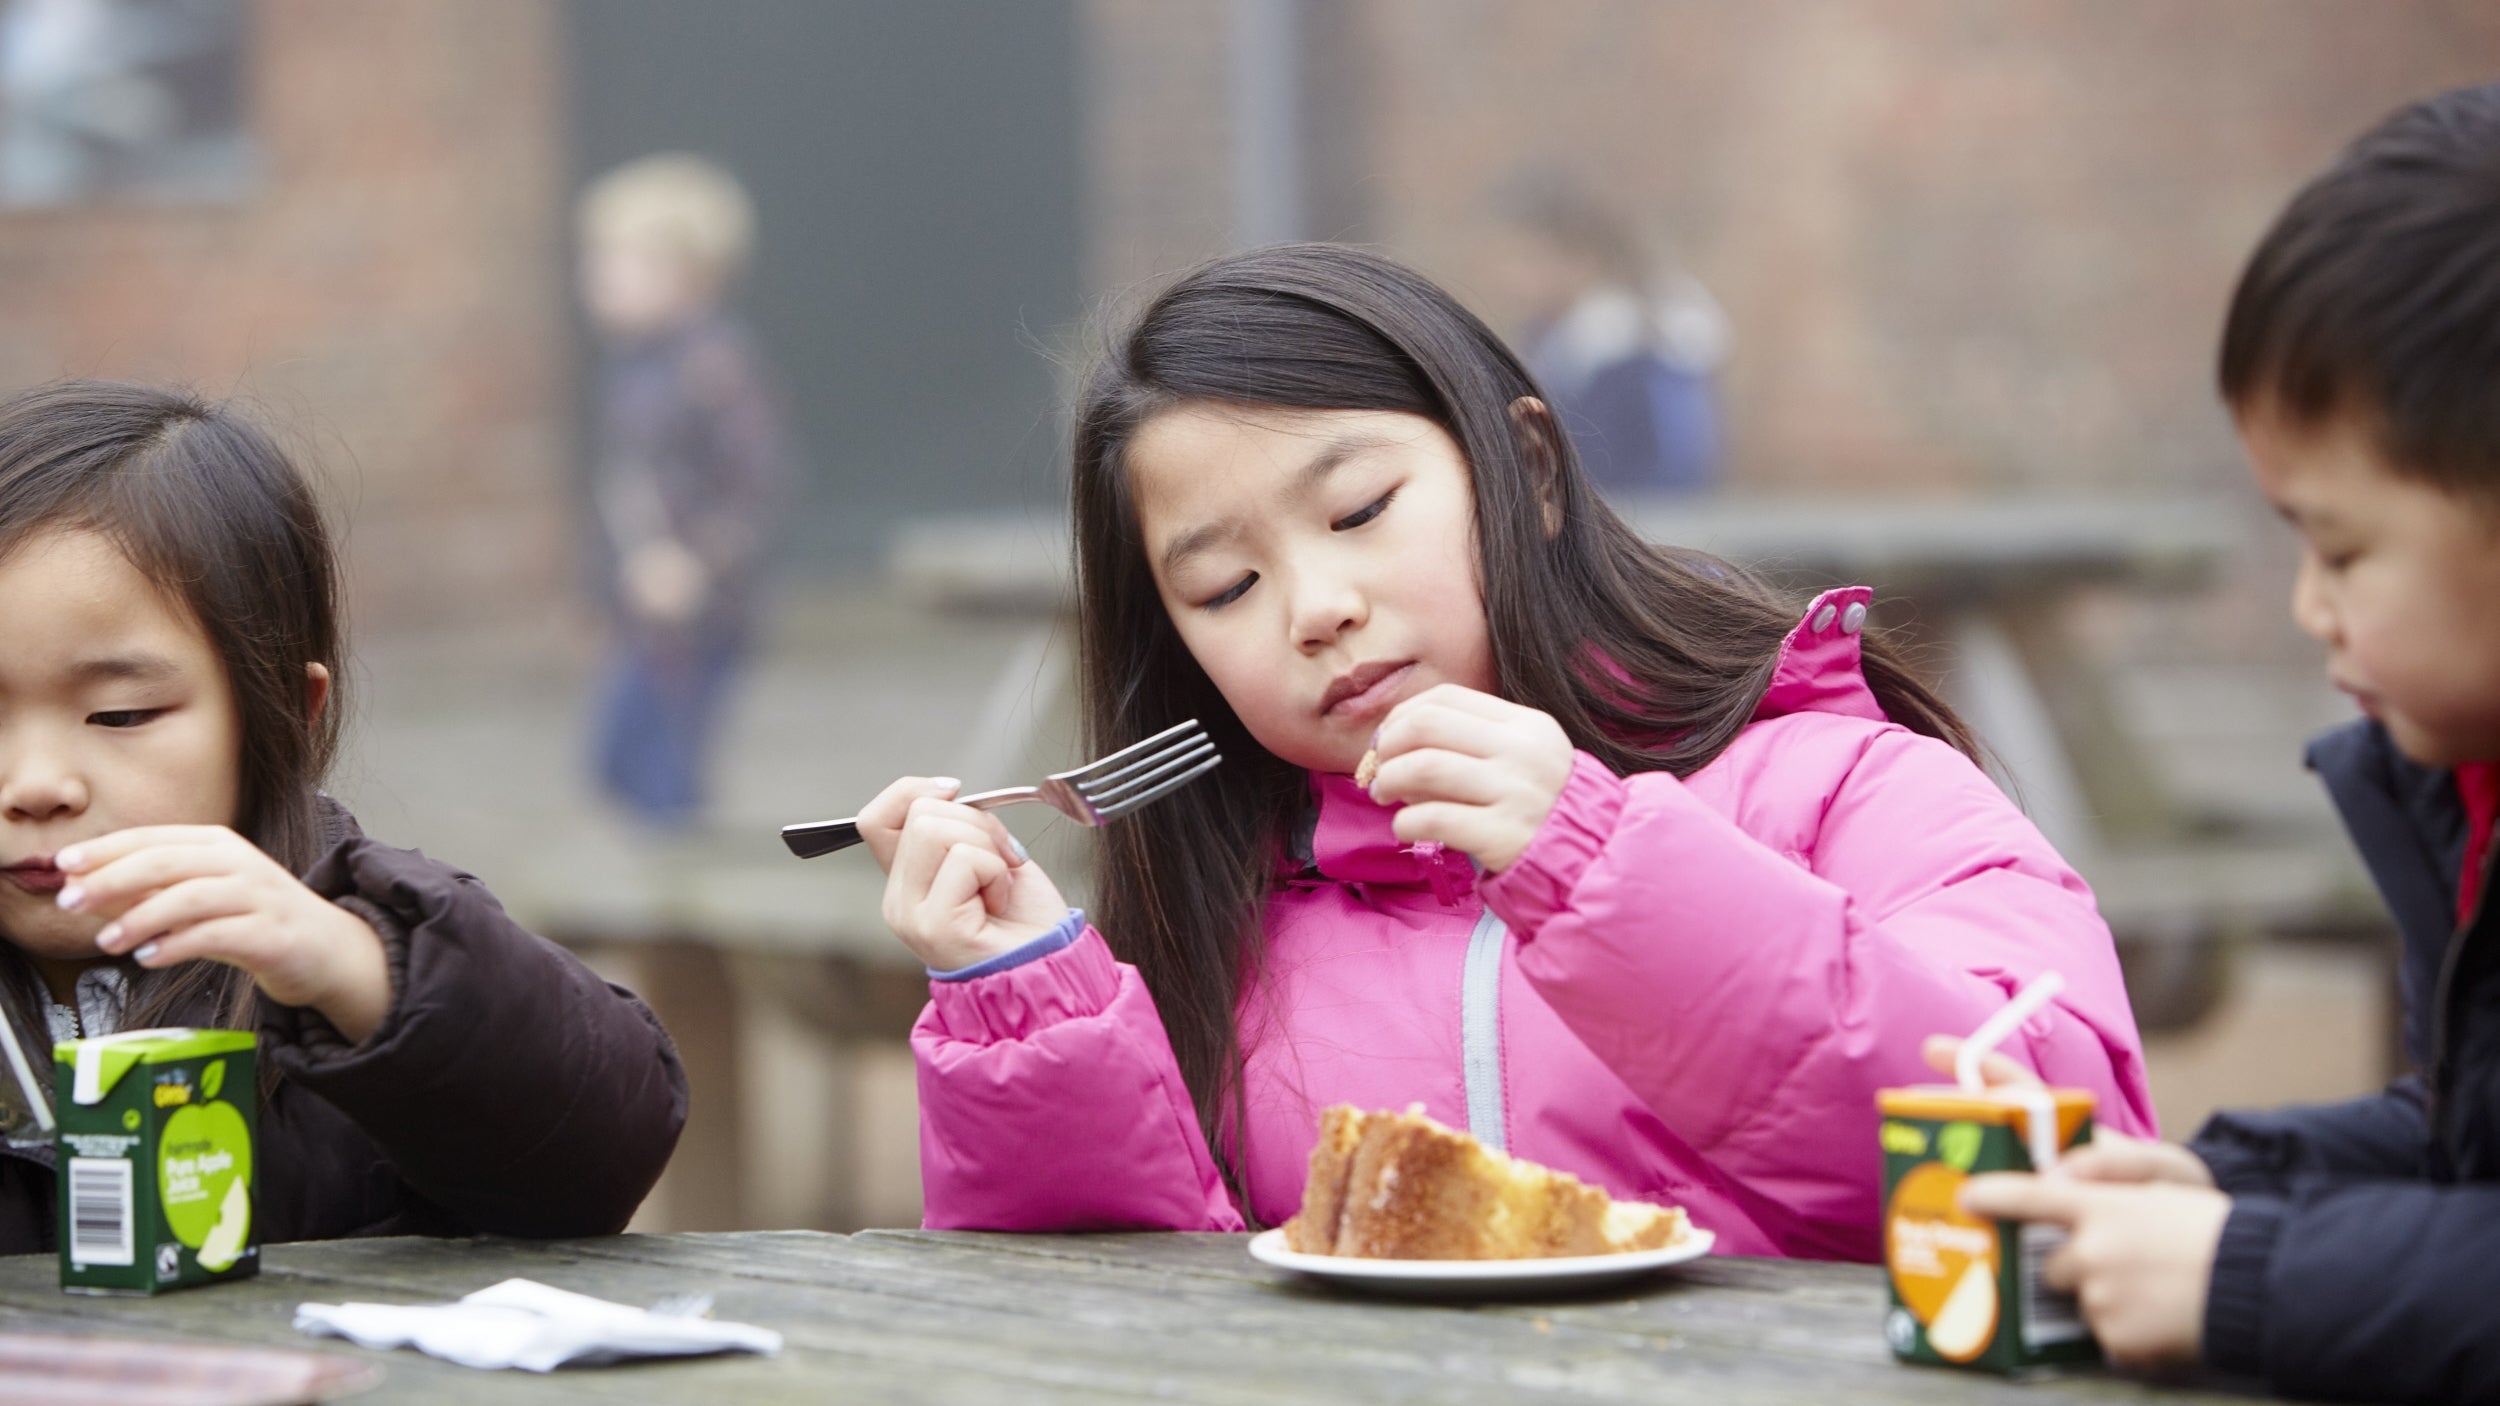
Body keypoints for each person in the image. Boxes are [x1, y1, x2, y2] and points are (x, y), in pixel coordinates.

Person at [853, 244, 2152, 1258]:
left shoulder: (1843, 785)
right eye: (1226, 585)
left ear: (1524, 468)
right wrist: (1031, 1005)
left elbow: (2056, 1137)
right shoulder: (1214, 919)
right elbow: (1117, 1332)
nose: (1315, 606)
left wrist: (1600, 867)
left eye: (1359, 508)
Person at [1952, 83, 2500, 1402]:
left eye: (2343, 548)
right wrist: (2222, 1181)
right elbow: (2464, 1151)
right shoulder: (2461, 787)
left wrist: (2244, 1270)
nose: (2311, 605)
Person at [0, 380, 686, 1252]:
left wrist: (357, 977)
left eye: (120, 716)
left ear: (283, 715)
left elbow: (602, 1158)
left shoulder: (362, 935)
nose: (34, 785)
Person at [577, 153, 789, 829]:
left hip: (698, 616)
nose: (597, 277)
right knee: (616, 758)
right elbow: (626, 489)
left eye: (619, 261)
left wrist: (695, 565)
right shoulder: (633, 369)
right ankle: (668, 890)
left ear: (689, 276)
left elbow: (756, 487)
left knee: (663, 764)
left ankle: (683, 895)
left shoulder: (714, 370)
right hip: (643, 610)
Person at [1494, 178, 1728, 495]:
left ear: (1580, 262)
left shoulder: (1633, 353)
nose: (1512, 277)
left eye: (1530, 260)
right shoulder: (1551, 344)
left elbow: (1666, 473)